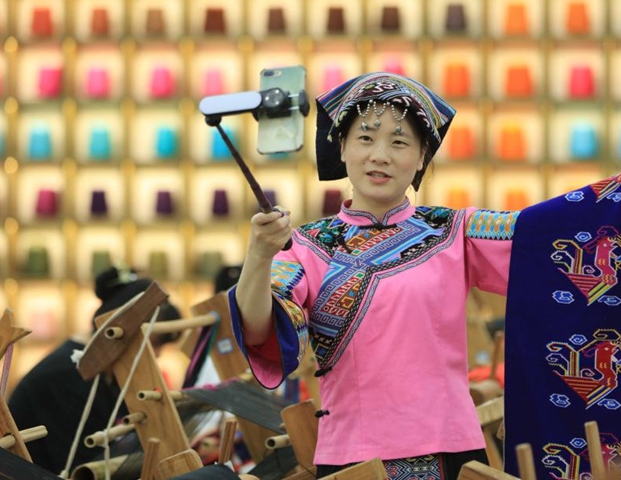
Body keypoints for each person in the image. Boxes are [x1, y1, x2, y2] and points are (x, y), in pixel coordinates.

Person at [229, 72, 519, 480]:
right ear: (342, 147)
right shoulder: (308, 245)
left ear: (422, 157)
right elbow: (261, 330)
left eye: (399, 142)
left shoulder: (455, 231)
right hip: (353, 457)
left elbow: (549, 238)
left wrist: (620, 196)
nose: (379, 155)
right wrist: (259, 256)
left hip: (450, 450)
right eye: (365, 138)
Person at [8, 266, 182, 475]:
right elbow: (81, 467)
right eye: (154, 343)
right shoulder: (67, 376)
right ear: (120, 331)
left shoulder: (106, 372)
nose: (158, 354)